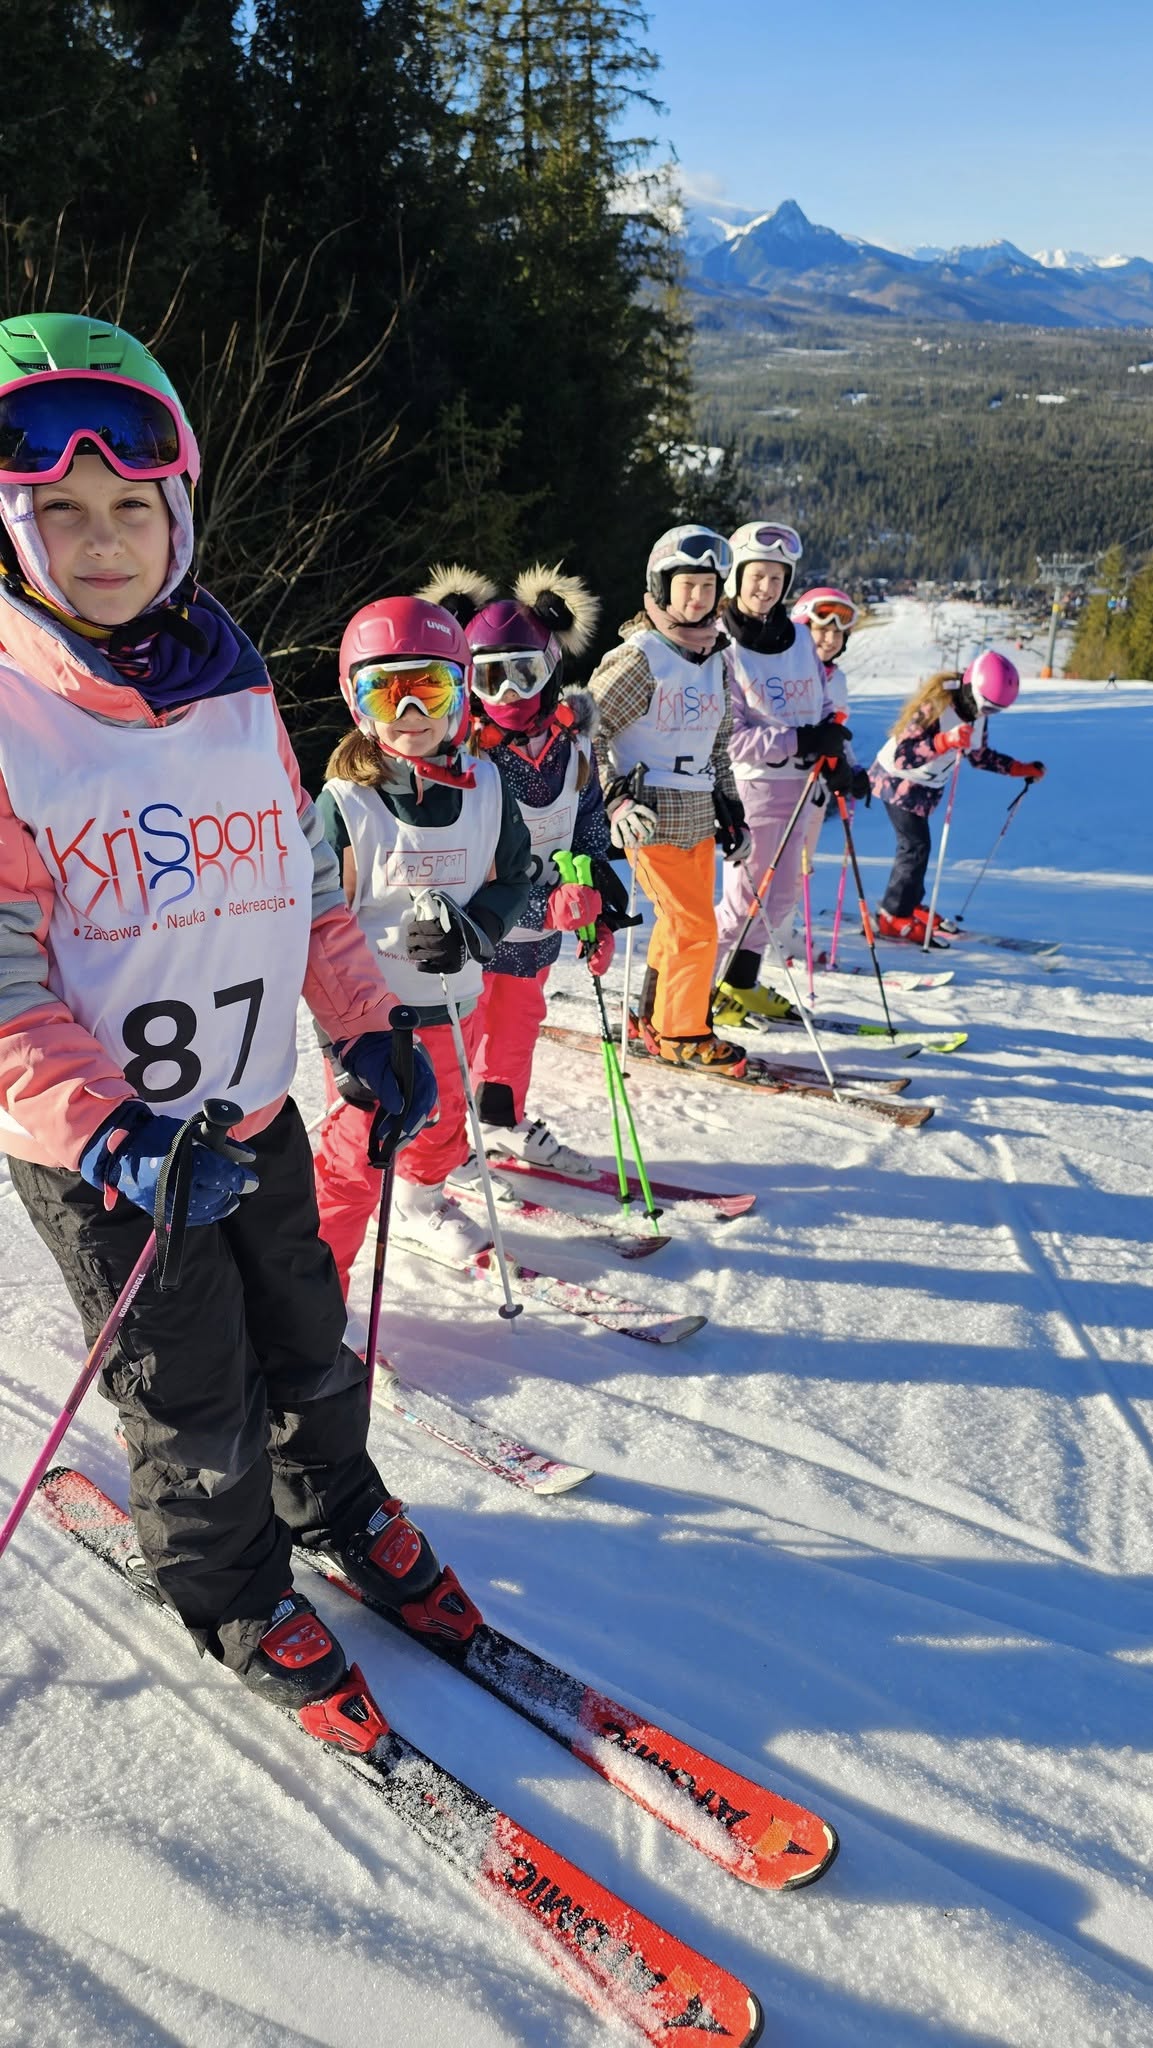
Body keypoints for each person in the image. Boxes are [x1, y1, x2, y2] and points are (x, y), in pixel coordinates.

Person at [0, 312, 478, 1733]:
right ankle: (228, 1584)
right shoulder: (15, 719)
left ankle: (332, 1500)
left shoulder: (232, 684)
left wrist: (369, 1026)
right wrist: (112, 1135)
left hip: (253, 1109)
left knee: (309, 1334)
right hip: (119, 1158)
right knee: (192, 1381)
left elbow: (309, 888)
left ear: (179, 512)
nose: (102, 542)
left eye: (130, 508)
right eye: (59, 512)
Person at [312, 596, 532, 1271]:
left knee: (442, 1126)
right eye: (387, 692)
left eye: (428, 689)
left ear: (460, 695)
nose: (410, 714)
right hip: (371, 1021)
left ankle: (422, 1198)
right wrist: (339, 1031)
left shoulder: (489, 787)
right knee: (357, 1154)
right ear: (357, 703)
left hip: (456, 1000)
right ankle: (321, 1292)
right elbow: (317, 919)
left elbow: (515, 874)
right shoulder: (345, 803)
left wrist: (478, 929)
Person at [420, 562, 629, 1183]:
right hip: (478, 935)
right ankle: (439, 1149)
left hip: (537, 942)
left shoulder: (574, 748)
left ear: (550, 669)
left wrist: (594, 904)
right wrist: (547, 905)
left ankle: (500, 1118)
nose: (509, 693)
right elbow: (465, 860)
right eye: (491, 678)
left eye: (524, 673)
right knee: (461, 1041)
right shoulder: (467, 756)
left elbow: (586, 824)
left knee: (516, 1034)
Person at [586, 526, 749, 1070]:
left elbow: (718, 746)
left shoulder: (715, 660)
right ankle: (683, 1033)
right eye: (687, 586)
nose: (698, 598)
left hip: (699, 811)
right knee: (695, 927)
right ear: (661, 586)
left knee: (684, 923)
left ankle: (655, 1017)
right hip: (649, 813)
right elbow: (586, 730)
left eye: (707, 586)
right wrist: (614, 800)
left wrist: (732, 809)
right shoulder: (642, 657)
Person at [712, 527, 853, 1029]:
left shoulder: (796, 639)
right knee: (740, 905)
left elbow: (823, 704)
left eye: (776, 577)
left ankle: (739, 988)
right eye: (757, 576)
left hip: (804, 788)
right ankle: (680, 998)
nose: (766, 587)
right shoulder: (723, 645)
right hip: (755, 787)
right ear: (737, 578)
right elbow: (730, 739)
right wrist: (801, 741)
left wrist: (835, 753)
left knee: (781, 900)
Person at [869, 651, 1046, 942]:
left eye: (995, 711)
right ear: (970, 688)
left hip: (925, 789)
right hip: (896, 780)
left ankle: (910, 904)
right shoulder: (936, 705)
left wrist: (1017, 768)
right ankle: (892, 915)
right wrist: (944, 741)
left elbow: (978, 755)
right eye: (986, 706)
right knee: (914, 847)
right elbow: (904, 755)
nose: (986, 714)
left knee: (919, 849)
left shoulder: (976, 714)